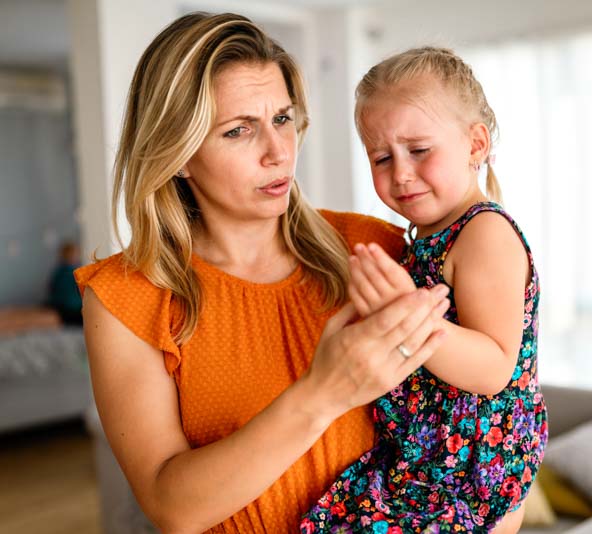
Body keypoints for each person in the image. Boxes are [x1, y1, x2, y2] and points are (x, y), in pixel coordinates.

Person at [74, 13, 451, 534]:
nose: (278, 153)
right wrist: (324, 394)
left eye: (282, 119)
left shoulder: (374, 248)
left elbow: (489, 412)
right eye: (238, 130)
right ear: (178, 153)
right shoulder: (126, 297)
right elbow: (171, 506)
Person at [302, 47, 548, 533]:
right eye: (381, 157)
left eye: (419, 150)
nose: (401, 173)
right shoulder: (427, 237)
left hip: (469, 475)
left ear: (475, 144)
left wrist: (407, 317)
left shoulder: (483, 234)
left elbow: (495, 365)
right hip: (421, 461)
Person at [48, 241, 83, 326]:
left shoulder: (58, 272)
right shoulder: (77, 273)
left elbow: (51, 289)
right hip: (72, 309)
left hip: (62, 308)